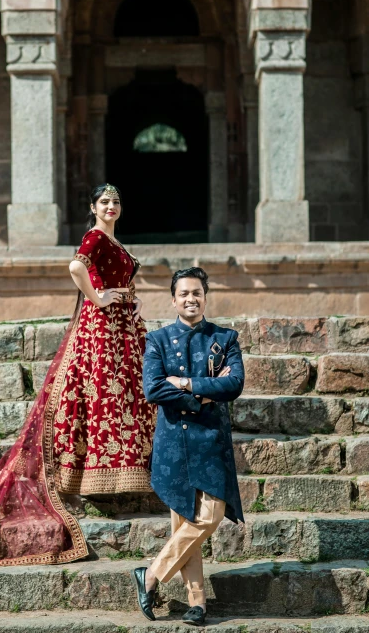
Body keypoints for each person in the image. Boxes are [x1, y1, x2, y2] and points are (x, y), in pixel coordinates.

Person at [0, 183, 155, 568]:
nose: (111, 206)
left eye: (116, 201)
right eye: (105, 201)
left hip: (123, 326)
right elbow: (76, 266)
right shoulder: (95, 236)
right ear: (93, 207)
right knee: (105, 394)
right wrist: (98, 298)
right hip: (103, 329)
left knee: (123, 395)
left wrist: (129, 296)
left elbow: (115, 278)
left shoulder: (115, 241)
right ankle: (94, 472)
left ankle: (120, 468)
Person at [133, 266, 244, 626]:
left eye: (197, 292)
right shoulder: (158, 340)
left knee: (208, 516)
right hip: (174, 443)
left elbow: (235, 384)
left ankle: (150, 575)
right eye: (184, 293)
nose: (191, 299)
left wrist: (182, 382)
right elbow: (153, 389)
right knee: (183, 520)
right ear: (173, 299)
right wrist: (203, 393)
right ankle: (198, 604)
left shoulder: (225, 338)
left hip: (211, 441)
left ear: (205, 297)